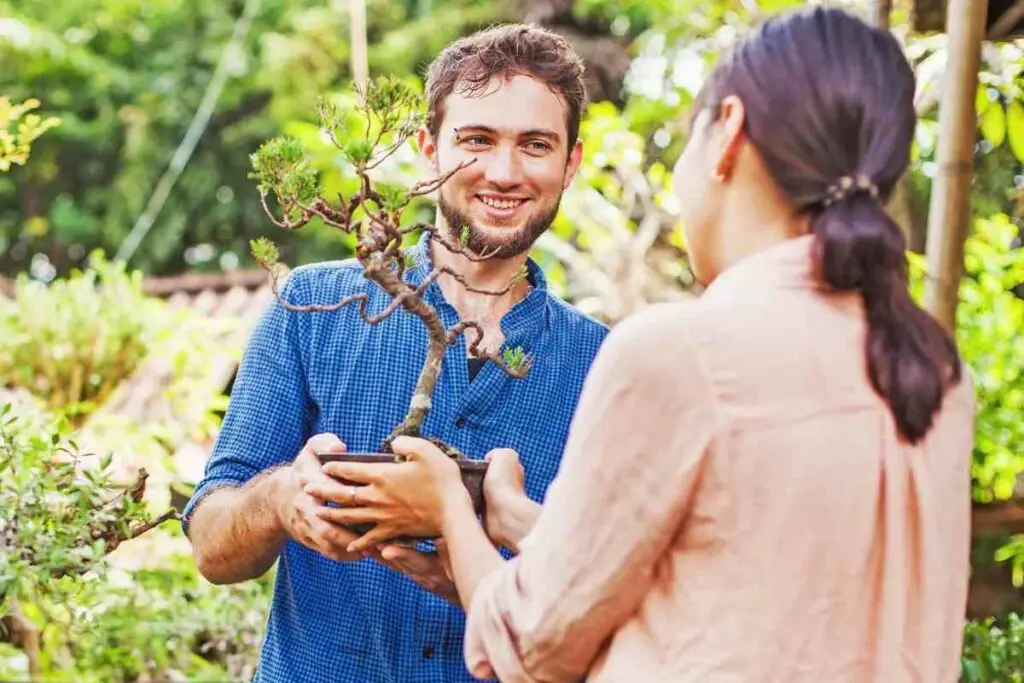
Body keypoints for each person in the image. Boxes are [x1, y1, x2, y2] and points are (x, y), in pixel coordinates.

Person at [334, 7, 977, 682]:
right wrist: (517, 516)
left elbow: (527, 647)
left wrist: (446, 509)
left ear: (726, 132)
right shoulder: (934, 370)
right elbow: (731, 578)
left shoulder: (682, 355)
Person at [181, 23, 609, 683]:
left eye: (535, 145)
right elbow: (212, 545)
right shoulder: (310, 308)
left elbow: (608, 602)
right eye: (476, 140)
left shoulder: (605, 365)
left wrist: (463, 564)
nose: (504, 171)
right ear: (427, 149)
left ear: (571, 162)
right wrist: (282, 499)